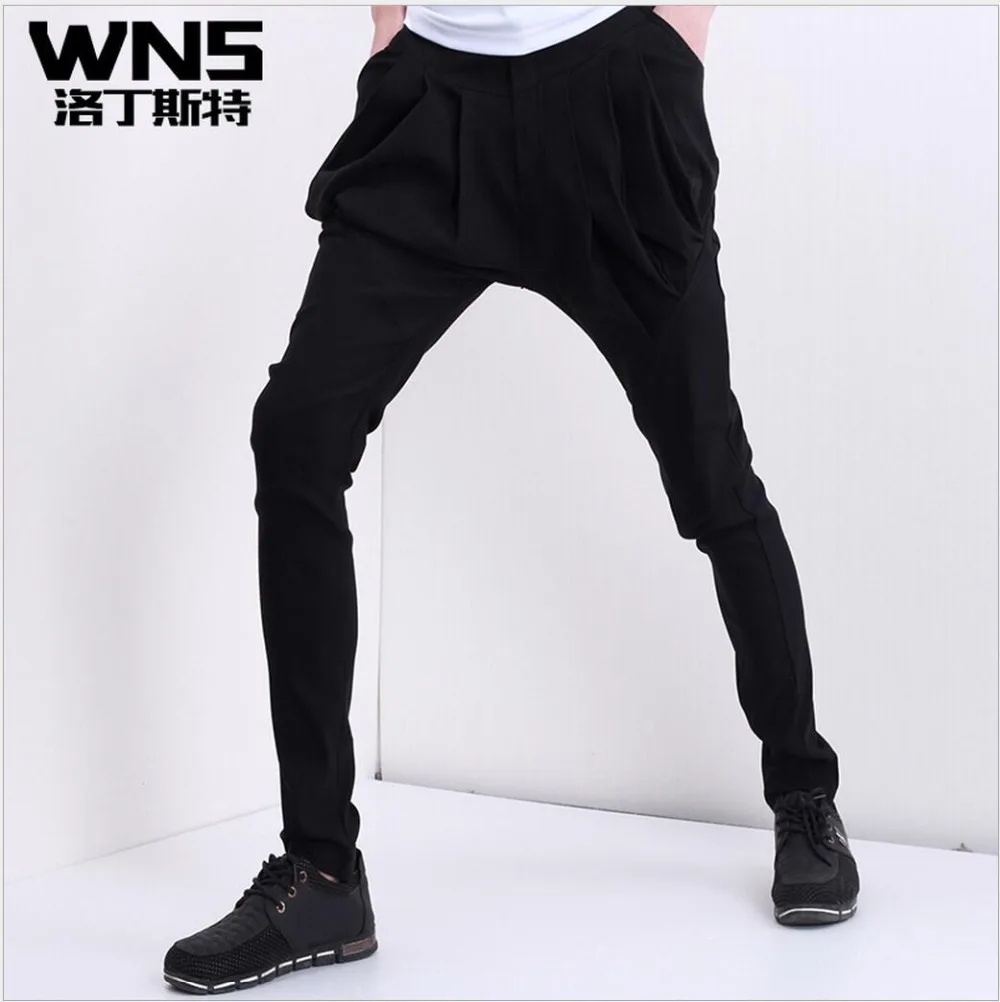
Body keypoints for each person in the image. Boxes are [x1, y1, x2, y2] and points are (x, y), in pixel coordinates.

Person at [163, 5, 860, 994]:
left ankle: (802, 793)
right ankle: (320, 874)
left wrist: (676, 39)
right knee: (298, 433)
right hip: (432, 97)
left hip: (612, 88)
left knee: (711, 474)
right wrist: (388, 30)